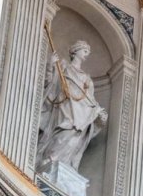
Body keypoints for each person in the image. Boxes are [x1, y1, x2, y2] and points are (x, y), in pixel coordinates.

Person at [37, 40, 109, 173]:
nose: (87, 54)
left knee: (74, 135)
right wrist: (50, 65)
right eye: (85, 50)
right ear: (76, 51)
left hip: (81, 111)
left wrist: (98, 114)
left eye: (88, 51)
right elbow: (50, 83)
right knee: (63, 130)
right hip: (64, 106)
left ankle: (63, 163)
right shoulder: (63, 66)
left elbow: (90, 99)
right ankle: (50, 158)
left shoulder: (87, 79)